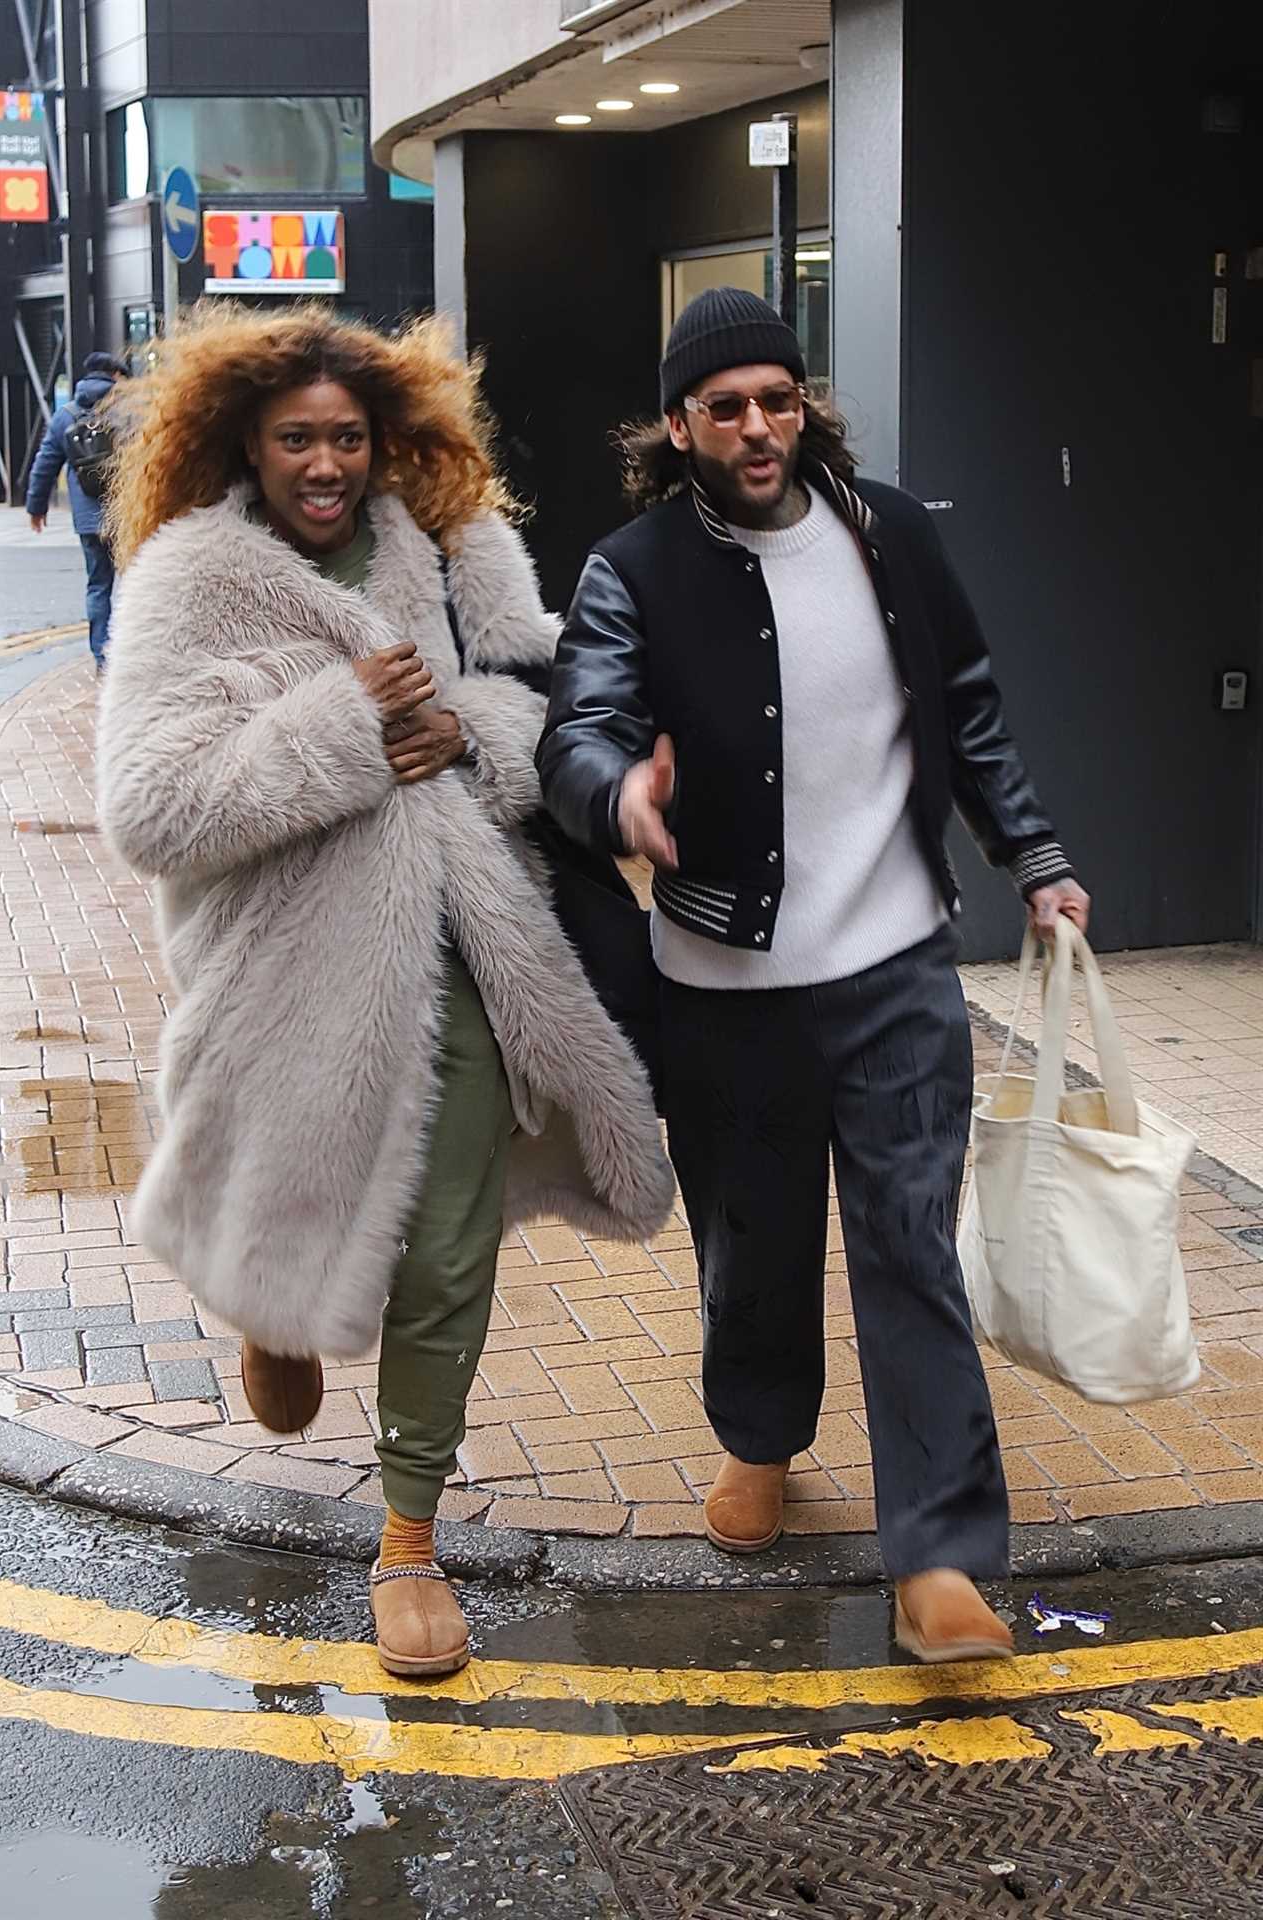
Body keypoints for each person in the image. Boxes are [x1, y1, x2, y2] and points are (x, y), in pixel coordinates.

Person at [96, 304, 673, 1678]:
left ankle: (407, 1538)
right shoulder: (189, 580)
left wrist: (463, 731)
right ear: (243, 438)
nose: (326, 463)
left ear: (384, 439)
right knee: (286, 1202)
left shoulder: (463, 560)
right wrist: (347, 724)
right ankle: (274, 1315)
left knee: (445, 1252)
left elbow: (547, 714)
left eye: (347, 436)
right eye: (296, 436)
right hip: (272, 979)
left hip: (465, 953)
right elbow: (150, 810)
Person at [538, 287, 1090, 1664]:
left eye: (776, 397)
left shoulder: (894, 536)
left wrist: (1036, 856)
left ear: (806, 404)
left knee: (910, 1248)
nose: (755, 424)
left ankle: (945, 1561)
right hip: (725, 981)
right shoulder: (634, 568)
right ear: (679, 426)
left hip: (900, 966)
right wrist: (621, 800)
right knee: (757, 1247)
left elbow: (966, 705)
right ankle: (762, 1438)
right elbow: (581, 726)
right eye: (722, 406)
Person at [26, 351, 127, 672]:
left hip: (88, 518)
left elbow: (45, 464)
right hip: (127, 512)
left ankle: (102, 655)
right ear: (114, 374)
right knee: (140, 582)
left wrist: (36, 507)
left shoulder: (65, 415)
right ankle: (135, 651)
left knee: (98, 585)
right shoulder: (128, 411)